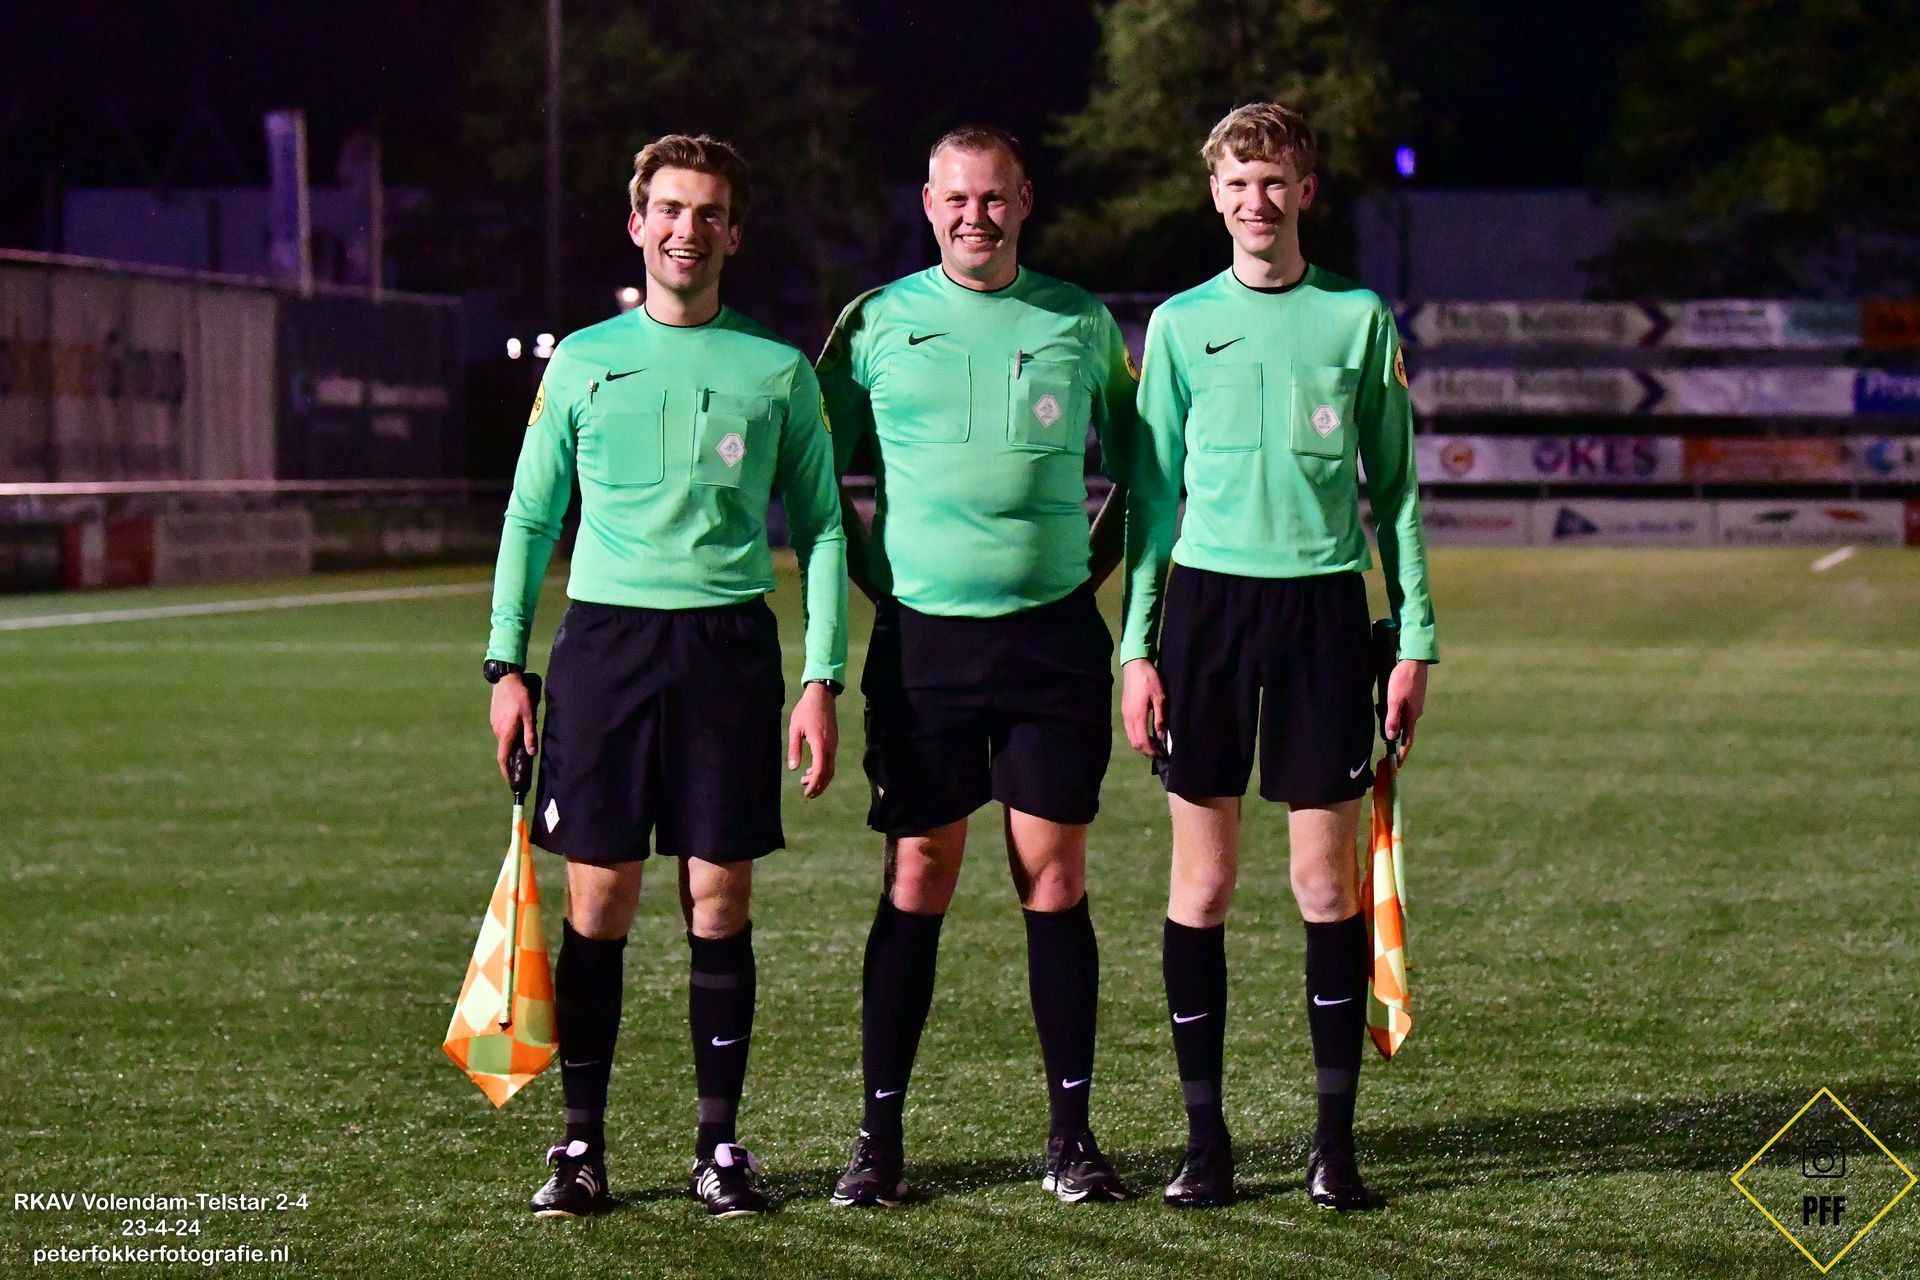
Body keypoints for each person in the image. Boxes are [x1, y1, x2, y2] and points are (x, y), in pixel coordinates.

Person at [483, 133, 848, 1220]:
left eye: (710, 212)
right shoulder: (583, 361)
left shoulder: (777, 369)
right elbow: (531, 517)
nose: (689, 229)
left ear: (734, 232)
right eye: (671, 210)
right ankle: (580, 1145)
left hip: (727, 653)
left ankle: (719, 1146)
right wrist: (505, 663)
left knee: (718, 899)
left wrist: (822, 676)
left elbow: (825, 528)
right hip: (605, 652)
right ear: (638, 223)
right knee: (598, 900)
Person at [1119, 103, 1438, 1211]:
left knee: (1320, 883)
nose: (1256, 200)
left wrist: (1415, 637)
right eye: (1238, 182)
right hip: (1206, 614)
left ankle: (1332, 1144)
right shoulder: (1177, 325)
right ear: (1216, 195)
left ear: (1305, 190)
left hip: (1321, 615)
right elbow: (1150, 499)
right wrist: (1136, 649)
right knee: (1202, 884)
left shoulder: (1357, 317)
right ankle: (1204, 1143)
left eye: (1275, 180)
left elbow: (1397, 492)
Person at [815, 125, 1139, 1207]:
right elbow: (814, 477)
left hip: (1052, 641)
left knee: (1055, 877)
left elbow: (1142, 475)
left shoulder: (1080, 323)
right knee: (918, 872)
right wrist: (879, 580)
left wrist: (1085, 571)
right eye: (956, 197)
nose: (975, 216)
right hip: (925, 645)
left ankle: (1072, 1137)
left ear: (1025, 201)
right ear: (927, 203)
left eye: (994, 197)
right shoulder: (874, 323)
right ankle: (878, 1140)